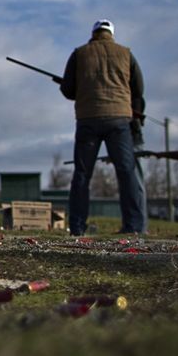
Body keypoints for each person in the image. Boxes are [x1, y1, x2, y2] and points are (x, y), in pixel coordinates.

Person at [59, 19, 147, 236]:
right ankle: (133, 226)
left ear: (94, 33)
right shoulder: (126, 54)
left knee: (82, 174)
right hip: (119, 120)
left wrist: (84, 89)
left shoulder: (79, 54)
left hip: (88, 120)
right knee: (126, 173)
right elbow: (138, 89)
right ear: (111, 34)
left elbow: (68, 89)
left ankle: (77, 227)